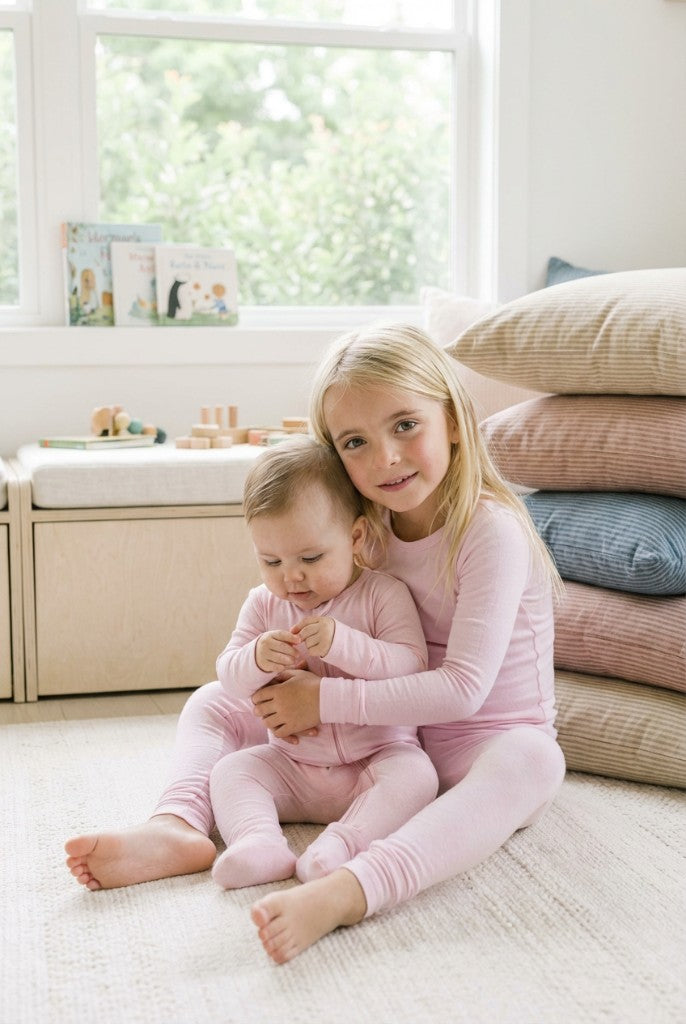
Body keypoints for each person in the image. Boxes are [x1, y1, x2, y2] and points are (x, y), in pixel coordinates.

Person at [66, 322, 564, 969]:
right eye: (356, 441)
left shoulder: (488, 531)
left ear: (452, 418)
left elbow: (463, 688)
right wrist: (282, 676)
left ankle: (353, 888)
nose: (385, 457)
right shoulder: (366, 528)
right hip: (387, 741)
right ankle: (179, 825)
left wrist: (323, 702)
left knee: (534, 761)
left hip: (475, 743)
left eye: (405, 425)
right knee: (218, 700)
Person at [209, 435, 438, 889]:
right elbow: (228, 677)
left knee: (417, 776)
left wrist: (343, 645)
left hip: (374, 760)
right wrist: (255, 658)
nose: (291, 576)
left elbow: (410, 666)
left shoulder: (381, 594)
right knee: (231, 770)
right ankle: (259, 842)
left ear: (355, 537)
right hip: (293, 766)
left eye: (310, 558)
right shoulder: (262, 605)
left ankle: (343, 846)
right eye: (270, 560)